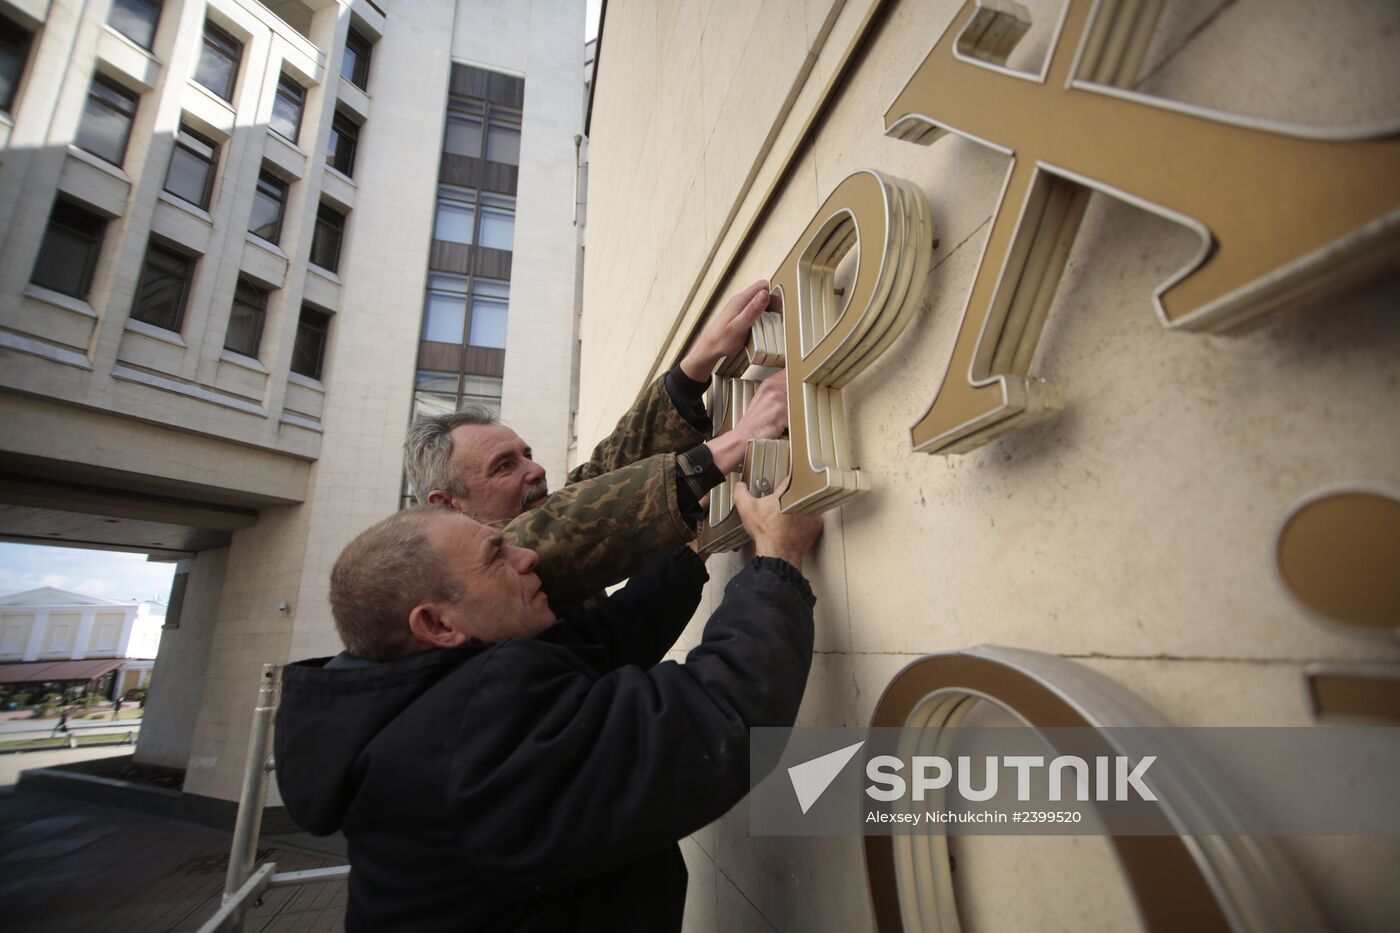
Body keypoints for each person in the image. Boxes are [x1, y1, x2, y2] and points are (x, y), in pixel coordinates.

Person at [275, 484, 823, 932]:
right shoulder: (465, 741)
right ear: (438, 623)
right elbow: (711, 719)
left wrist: (695, 550)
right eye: (496, 556)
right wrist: (778, 559)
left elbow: (598, 645)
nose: (528, 555)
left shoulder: (420, 698)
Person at [404, 280, 786, 616]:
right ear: (448, 504)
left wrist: (694, 368)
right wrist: (738, 439)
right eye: (504, 466)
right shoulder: (457, 585)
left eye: (528, 455)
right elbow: (561, 529)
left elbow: (595, 484)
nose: (535, 471)